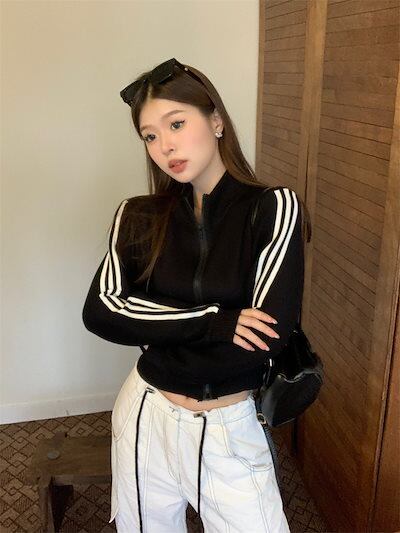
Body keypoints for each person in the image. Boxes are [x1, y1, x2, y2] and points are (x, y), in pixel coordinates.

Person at [82, 58, 310, 533]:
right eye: (149, 136)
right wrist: (217, 321)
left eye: (176, 124)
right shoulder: (137, 216)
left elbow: (266, 337)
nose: (165, 146)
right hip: (145, 415)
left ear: (217, 121)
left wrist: (152, 322)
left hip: (227, 427)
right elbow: (101, 312)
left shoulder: (272, 208)